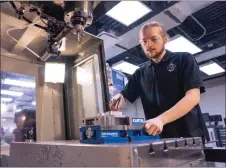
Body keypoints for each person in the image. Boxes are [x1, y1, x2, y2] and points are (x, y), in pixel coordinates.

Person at [109, 21, 209, 142]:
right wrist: (118, 98)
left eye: (154, 39)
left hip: (189, 137)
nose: (148, 44)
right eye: (144, 41)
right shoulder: (140, 73)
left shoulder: (184, 59)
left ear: (165, 40)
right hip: (158, 139)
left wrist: (161, 120)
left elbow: (193, 97)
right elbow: (124, 95)